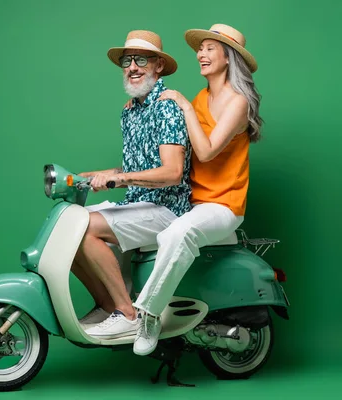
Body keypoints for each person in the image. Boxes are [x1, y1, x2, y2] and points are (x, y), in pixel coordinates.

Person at [127, 23, 265, 355]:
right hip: (191, 201)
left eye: (209, 48)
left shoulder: (238, 102)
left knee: (178, 234)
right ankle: (118, 310)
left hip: (223, 206)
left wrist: (184, 106)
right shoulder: (202, 97)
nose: (200, 54)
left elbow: (205, 151)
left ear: (228, 57)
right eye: (200, 49)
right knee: (125, 230)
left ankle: (147, 315)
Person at [73, 30, 192, 339]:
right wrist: (83, 178)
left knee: (85, 228)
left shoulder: (166, 106)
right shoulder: (131, 111)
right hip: (138, 203)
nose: (133, 67)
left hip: (167, 209)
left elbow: (172, 172)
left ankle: (127, 313)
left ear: (159, 66)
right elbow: (131, 169)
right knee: (68, 230)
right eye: (128, 60)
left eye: (141, 59)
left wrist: (120, 179)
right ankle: (106, 305)